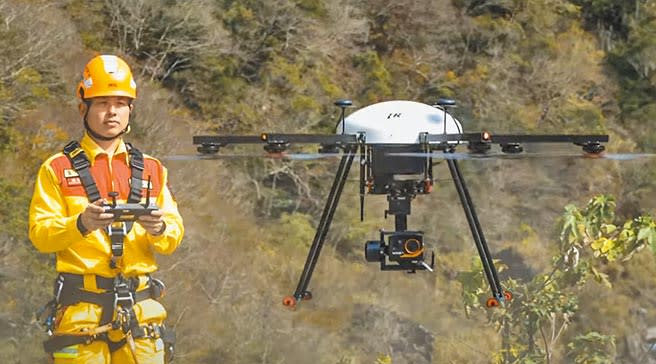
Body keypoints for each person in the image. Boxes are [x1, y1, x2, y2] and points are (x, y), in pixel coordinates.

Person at [29, 54, 184, 363]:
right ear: (83, 108)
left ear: (130, 109)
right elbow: (40, 235)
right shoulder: (57, 169)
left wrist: (159, 228)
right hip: (81, 313)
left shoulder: (152, 170)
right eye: (101, 103)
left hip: (141, 316)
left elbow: (173, 236)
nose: (111, 112)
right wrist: (81, 224)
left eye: (120, 103)